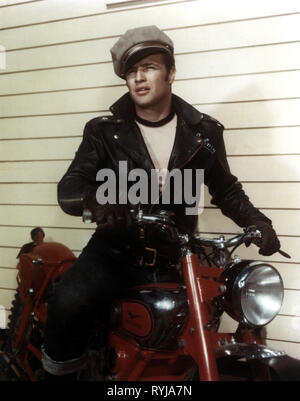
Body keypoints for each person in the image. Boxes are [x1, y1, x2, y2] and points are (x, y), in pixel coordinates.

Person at [41, 26, 280, 379]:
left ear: (170, 72)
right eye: (131, 71)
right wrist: (101, 200)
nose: (139, 77)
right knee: (68, 302)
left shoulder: (204, 133)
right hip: (114, 253)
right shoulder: (105, 131)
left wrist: (259, 222)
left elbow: (225, 189)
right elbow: (70, 187)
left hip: (178, 256)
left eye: (149, 66)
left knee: (216, 319)